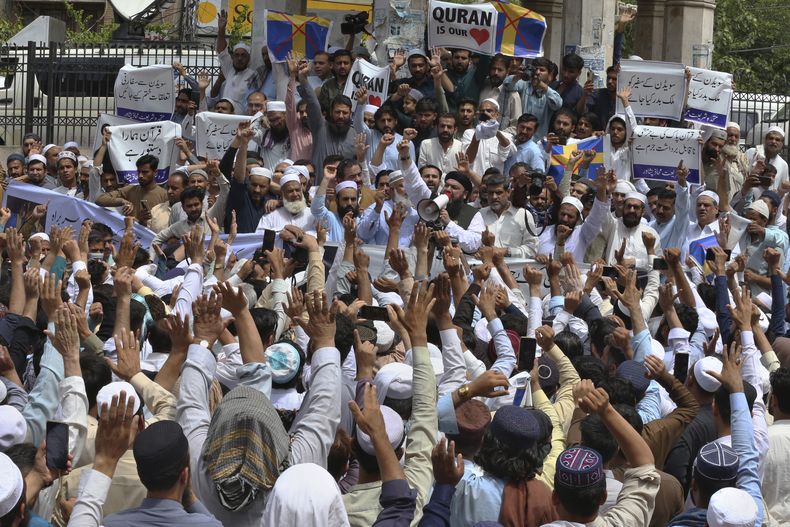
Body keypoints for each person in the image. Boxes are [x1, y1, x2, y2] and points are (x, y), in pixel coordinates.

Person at [101, 420, 222, 527]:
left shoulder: (109, 523)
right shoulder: (207, 524)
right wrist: (189, 497)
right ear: (185, 475)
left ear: (141, 475)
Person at [400, 140, 484, 254]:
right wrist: (405, 156)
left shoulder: (473, 213)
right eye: (447, 185)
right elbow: (415, 183)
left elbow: (474, 244)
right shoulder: (432, 200)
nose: (448, 189)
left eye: (454, 187)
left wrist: (449, 224)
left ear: (465, 194)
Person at [297, 62, 356, 173]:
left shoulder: (355, 134)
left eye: (345, 113)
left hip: (345, 188)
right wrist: (303, 80)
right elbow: (313, 103)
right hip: (319, 187)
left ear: (351, 114)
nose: (341, 116)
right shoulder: (320, 127)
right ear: (331, 112)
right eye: (337, 112)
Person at [478, 173, 538, 258]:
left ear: (508, 192)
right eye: (491, 193)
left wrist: (507, 251)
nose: (494, 197)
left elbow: (532, 249)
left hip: (513, 270)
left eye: (498, 193)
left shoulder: (523, 215)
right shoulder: (480, 214)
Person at [95, 154, 168, 224]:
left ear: (155, 172)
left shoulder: (164, 195)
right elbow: (99, 199)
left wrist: (142, 221)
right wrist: (121, 201)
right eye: (139, 171)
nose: (140, 175)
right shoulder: (130, 190)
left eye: (145, 172)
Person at [215, 11, 257, 115]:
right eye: (237, 55)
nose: (239, 58)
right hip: (223, 116)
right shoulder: (229, 69)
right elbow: (222, 51)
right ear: (232, 57)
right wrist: (221, 30)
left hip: (241, 119)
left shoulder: (253, 75)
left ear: (248, 59)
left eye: (243, 55)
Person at [462, 99, 516, 175]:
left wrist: (494, 129)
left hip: (495, 184)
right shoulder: (469, 133)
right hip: (473, 182)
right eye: (482, 111)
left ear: (497, 114)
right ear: (478, 115)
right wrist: (477, 134)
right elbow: (468, 159)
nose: (485, 114)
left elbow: (509, 152)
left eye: (489, 111)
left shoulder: (506, 136)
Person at [319, 49, 353, 114]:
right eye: (339, 63)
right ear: (333, 65)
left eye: (346, 63)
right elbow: (323, 109)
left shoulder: (357, 85)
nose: (342, 66)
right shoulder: (327, 86)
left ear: (351, 65)